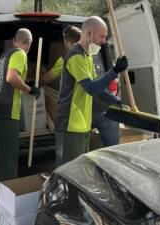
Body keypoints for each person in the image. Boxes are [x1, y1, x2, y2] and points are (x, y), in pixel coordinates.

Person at [54, 16, 128, 166]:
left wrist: (116, 101)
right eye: (101, 36)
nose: (104, 40)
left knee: (78, 168)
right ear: (88, 34)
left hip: (81, 123)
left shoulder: (87, 55)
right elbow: (90, 88)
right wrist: (114, 71)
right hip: (69, 123)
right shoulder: (76, 56)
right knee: (68, 168)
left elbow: (98, 89)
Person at [0, 28, 40, 201]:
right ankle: (6, 204)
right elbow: (11, 78)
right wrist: (30, 89)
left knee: (2, 159)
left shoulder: (5, 55)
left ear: (14, 40)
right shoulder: (20, 54)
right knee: (9, 161)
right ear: (30, 43)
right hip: (8, 112)